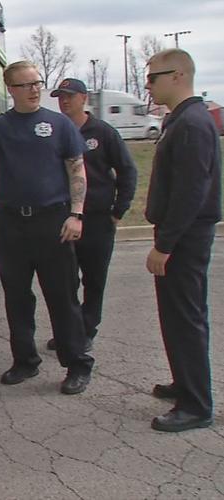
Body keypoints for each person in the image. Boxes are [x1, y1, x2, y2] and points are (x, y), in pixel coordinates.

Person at [0, 60, 94, 395]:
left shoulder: (58, 125)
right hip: (11, 224)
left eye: (37, 83)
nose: (34, 90)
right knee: (17, 297)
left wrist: (77, 215)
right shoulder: (0, 126)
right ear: (10, 89)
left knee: (62, 298)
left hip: (53, 223)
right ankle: (25, 362)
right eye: (26, 85)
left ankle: (76, 364)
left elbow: (77, 170)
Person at [144, 48, 221, 432]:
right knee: (175, 317)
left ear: (178, 76)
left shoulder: (192, 124)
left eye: (153, 77)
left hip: (186, 238)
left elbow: (191, 192)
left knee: (186, 318)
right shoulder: (182, 119)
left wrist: (165, 245)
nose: (148, 84)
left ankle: (196, 406)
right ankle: (184, 384)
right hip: (180, 234)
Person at [46, 78, 137, 353]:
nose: (64, 101)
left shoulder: (103, 132)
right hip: (64, 219)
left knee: (94, 280)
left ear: (83, 98)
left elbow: (127, 170)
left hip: (97, 220)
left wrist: (118, 211)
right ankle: (70, 332)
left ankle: (86, 330)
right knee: (66, 281)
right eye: (60, 96)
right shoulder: (56, 131)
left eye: (70, 96)